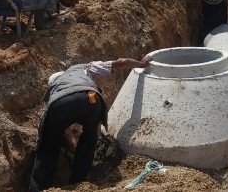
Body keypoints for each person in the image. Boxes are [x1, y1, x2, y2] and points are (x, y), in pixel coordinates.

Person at [30, 55, 149, 191]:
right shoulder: (82, 68)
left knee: (47, 148)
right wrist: (142, 64)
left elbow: (56, 133)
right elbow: (122, 62)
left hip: (60, 103)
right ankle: (78, 183)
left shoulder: (53, 92)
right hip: (90, 98)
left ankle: (37, 189)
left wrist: (61, 146)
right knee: (89, 141)